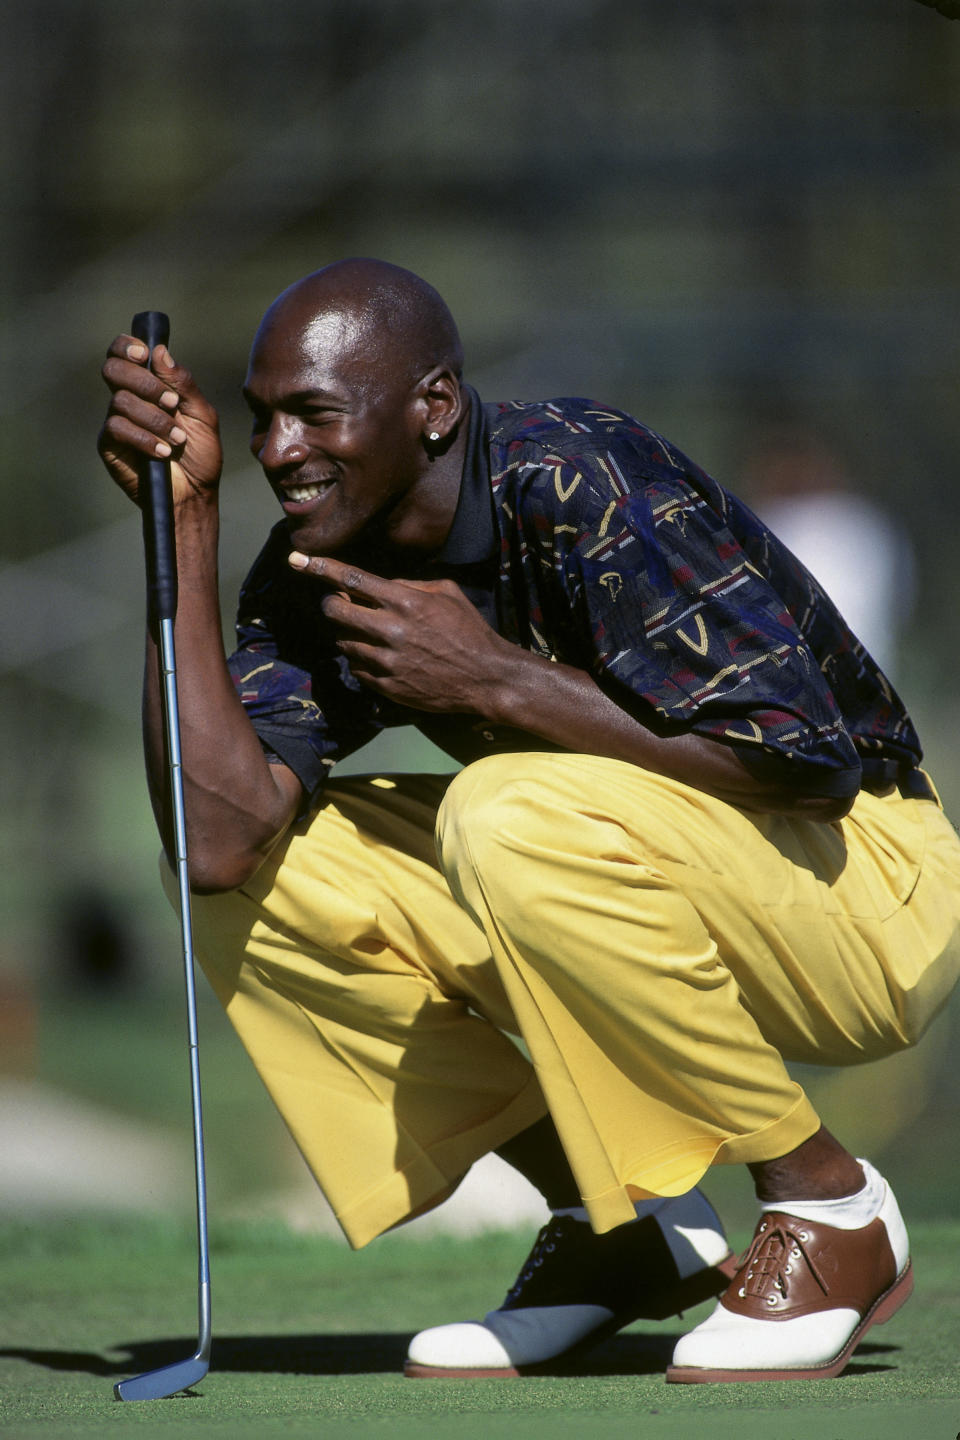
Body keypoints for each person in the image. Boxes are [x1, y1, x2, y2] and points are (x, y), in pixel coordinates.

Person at [98, 258, 960, 1384]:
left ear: (436, 406)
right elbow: (218, 839)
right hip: (624, 892)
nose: (276, 450)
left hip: (869, 893)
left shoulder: (584, 475)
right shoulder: (317, 568)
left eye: (314, 413)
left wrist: (499, 683)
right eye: (262, 420)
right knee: (261, 873)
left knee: (504, 808)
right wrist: (187, 522)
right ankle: (621, 1226)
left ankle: (829, 1205)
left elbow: (807, 761)